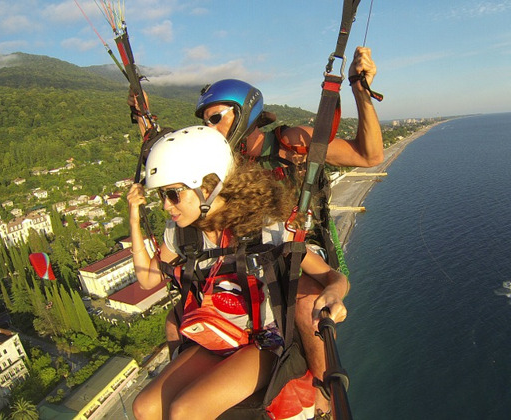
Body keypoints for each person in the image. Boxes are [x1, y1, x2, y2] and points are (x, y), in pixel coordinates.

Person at [129, 46, 382, 416]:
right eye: (205, 122)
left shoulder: (288, 141)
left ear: (243, 112)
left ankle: (323, 398)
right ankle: (198, 379)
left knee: (305, 305)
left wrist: (361, 94)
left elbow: (368, 156)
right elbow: (175, 164)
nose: (209, 129)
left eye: (216, 118)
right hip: (245, 247)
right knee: (175, 319)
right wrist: (143, 118)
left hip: (294, 242)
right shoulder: (220, 162)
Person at [128, 126, 349, 420]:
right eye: (163, 196)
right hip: (214, 336)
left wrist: (333, 294)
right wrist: (133, 219)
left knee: (185, 412)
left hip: (261, 343)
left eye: (173, 194)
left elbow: (333, 278)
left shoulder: (265, 228)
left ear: (208, 186)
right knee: (144, 408)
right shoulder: (181, 234)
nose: (167, 206)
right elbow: (148, 278)